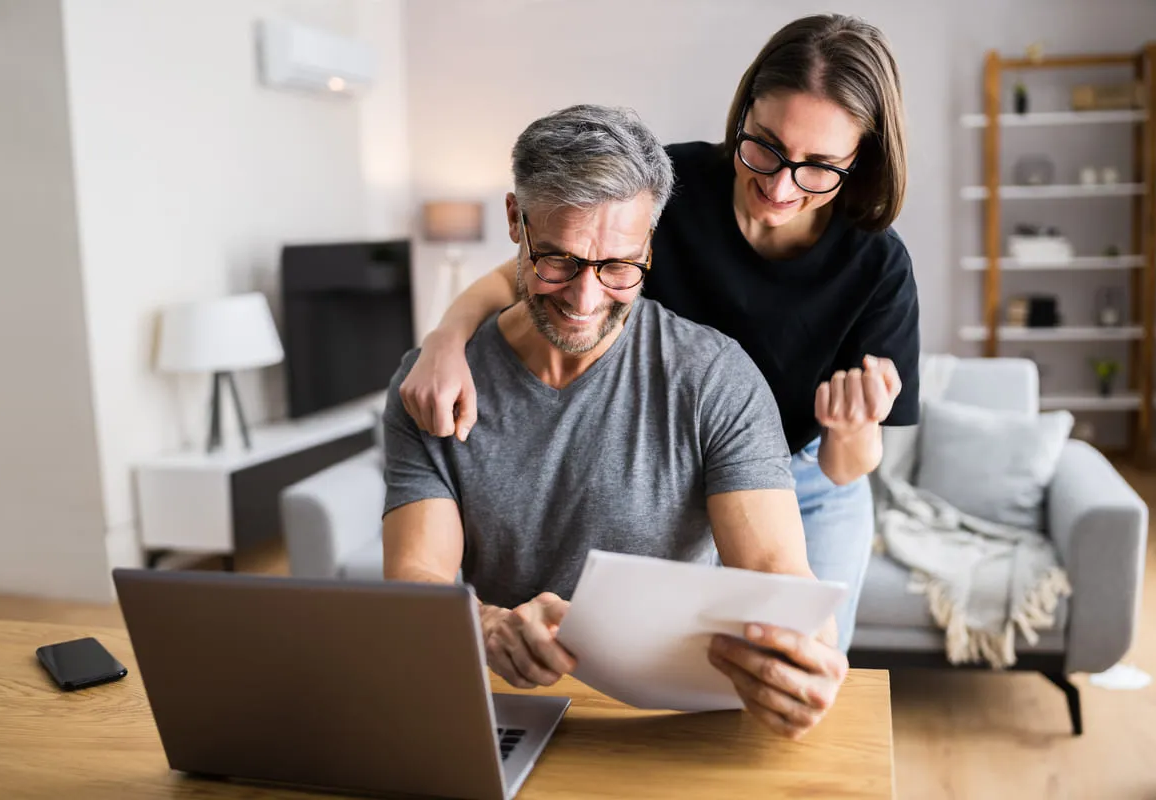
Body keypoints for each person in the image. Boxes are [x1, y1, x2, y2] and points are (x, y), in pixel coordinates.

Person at [396, 14, 921, 653]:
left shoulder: (877, 265)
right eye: (764, 145)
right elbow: (541, 267)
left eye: (818, 166)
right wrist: (446, 340)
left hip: (806, 472)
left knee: (804, 657)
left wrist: (851, 426)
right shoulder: (668, 187)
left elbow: (849, 467)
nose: (780, 185)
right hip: (683, 458)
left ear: (858, 159)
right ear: (744, 112)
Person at [382, 104, 847, 740]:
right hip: (503, 715)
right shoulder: (434, 385)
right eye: (559, 261)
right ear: (517, 220)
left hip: (664, 727)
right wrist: (486, 624)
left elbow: (776, 571)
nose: (586, 299)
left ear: (649, 245)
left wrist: (810, 655)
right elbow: (417, 580)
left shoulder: (714, 376)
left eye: (619, 267)